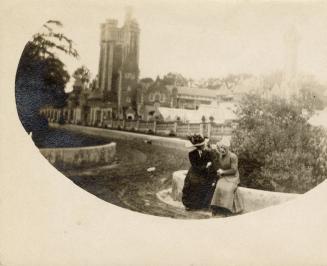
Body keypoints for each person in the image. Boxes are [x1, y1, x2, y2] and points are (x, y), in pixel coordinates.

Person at [182, 134, 217, 211]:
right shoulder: (191, 154)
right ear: (198, 146)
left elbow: (213, 162)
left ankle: (201, 205)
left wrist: (209, 168)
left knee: (205, 183)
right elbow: (195, 166)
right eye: (201, 145)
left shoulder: (208, 153)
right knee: (192, 182)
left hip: (205, 172)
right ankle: (189, 204)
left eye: (203, 144)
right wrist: (206, 166)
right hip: (195, 171)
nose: (203, 145)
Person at [210, 136, 244, 216]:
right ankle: (216, 208)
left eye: (224, 148)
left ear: (227, 148)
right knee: (218, 187)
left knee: (228, 189)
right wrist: (219, 172)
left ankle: (226, 209)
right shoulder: (220, 155)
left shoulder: (233, 156)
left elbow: (234, 170)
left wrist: (223, 172)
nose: (222, 150)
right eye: (221, 148)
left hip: (233, 177)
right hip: (224, 176)